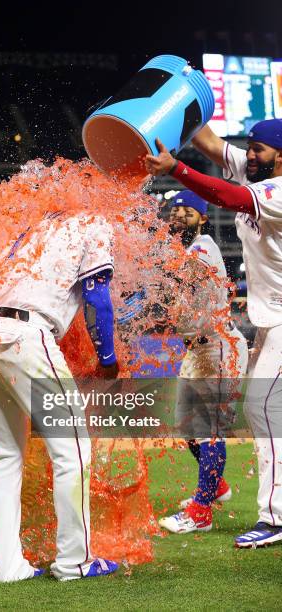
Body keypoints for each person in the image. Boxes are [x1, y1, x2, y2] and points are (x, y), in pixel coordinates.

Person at [145, 118, 282, 548]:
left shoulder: (276, 190)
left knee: (260, 409)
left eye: (258, 148)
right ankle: (228, 495)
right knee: (217, 420)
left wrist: (175, 171)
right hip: (264, 321)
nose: (249, 154)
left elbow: (226, 195)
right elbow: (207, 142)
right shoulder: (257, 169)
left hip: (268, 323)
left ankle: (274, 517)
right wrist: (184, 100)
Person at [0, 211, 119, 581]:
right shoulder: (95, 222)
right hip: (23, 334)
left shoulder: (38, 227)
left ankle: (9, 567)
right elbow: (98, 299)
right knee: (73, 449)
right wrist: (108, 358)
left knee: (4, 456)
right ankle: (74, 562)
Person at [156, 190, 248, 534]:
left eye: (188, 212)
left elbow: (187, 274)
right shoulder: (182, 251)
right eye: (175, 211)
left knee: (209, 430)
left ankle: (201, 513)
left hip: (219, 348)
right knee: (185, 426)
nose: (179, 215)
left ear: (203, 219)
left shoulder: (202, 246)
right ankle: (217, 486)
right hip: (196, 350)